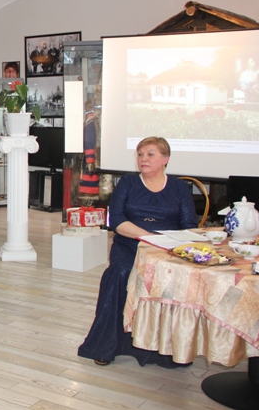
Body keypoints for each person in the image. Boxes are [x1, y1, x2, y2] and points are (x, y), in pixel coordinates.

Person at [78, 136, 197, 367]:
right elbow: (116, 220)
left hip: (167, 249)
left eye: (150, 154)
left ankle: (165, 349)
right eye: (140, 154)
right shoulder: (128, 183)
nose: (143, 159)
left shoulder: (180, 188)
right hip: (130, 244)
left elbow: (188, 225)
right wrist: (148, 237)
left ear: (165, 159)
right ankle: (106, 345)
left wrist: (167, 244)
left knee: (170, 278)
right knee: (120, 273)